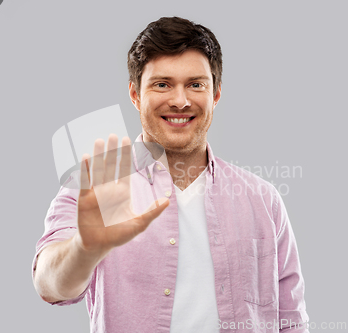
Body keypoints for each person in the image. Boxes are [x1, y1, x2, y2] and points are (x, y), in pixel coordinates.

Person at [32, 16, 309, 333]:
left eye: (196, 85)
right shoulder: (95, 184)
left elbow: (292, 319)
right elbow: (49, 284)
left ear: (215, 94)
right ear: (135, 95)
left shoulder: (262, 198)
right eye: (162, 84)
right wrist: (85, 248)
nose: (180, 100)